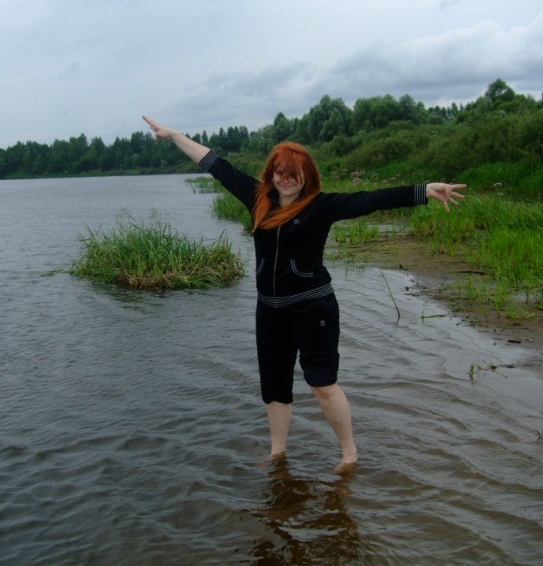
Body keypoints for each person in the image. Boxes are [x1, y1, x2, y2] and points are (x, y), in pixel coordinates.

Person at [143, 115, 466, 473]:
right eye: (279, 173)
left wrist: (424, 191)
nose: (286, 180)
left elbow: (371, 199)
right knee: (274, 388)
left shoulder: (320, 206)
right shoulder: (258, 199)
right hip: (269, 311)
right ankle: (277, 454)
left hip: (313, 309)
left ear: (306, 177)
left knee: (322, 384)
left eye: (293, 174)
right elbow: (216, 164)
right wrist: (175, 136)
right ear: (271, 175)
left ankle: (349, 454)